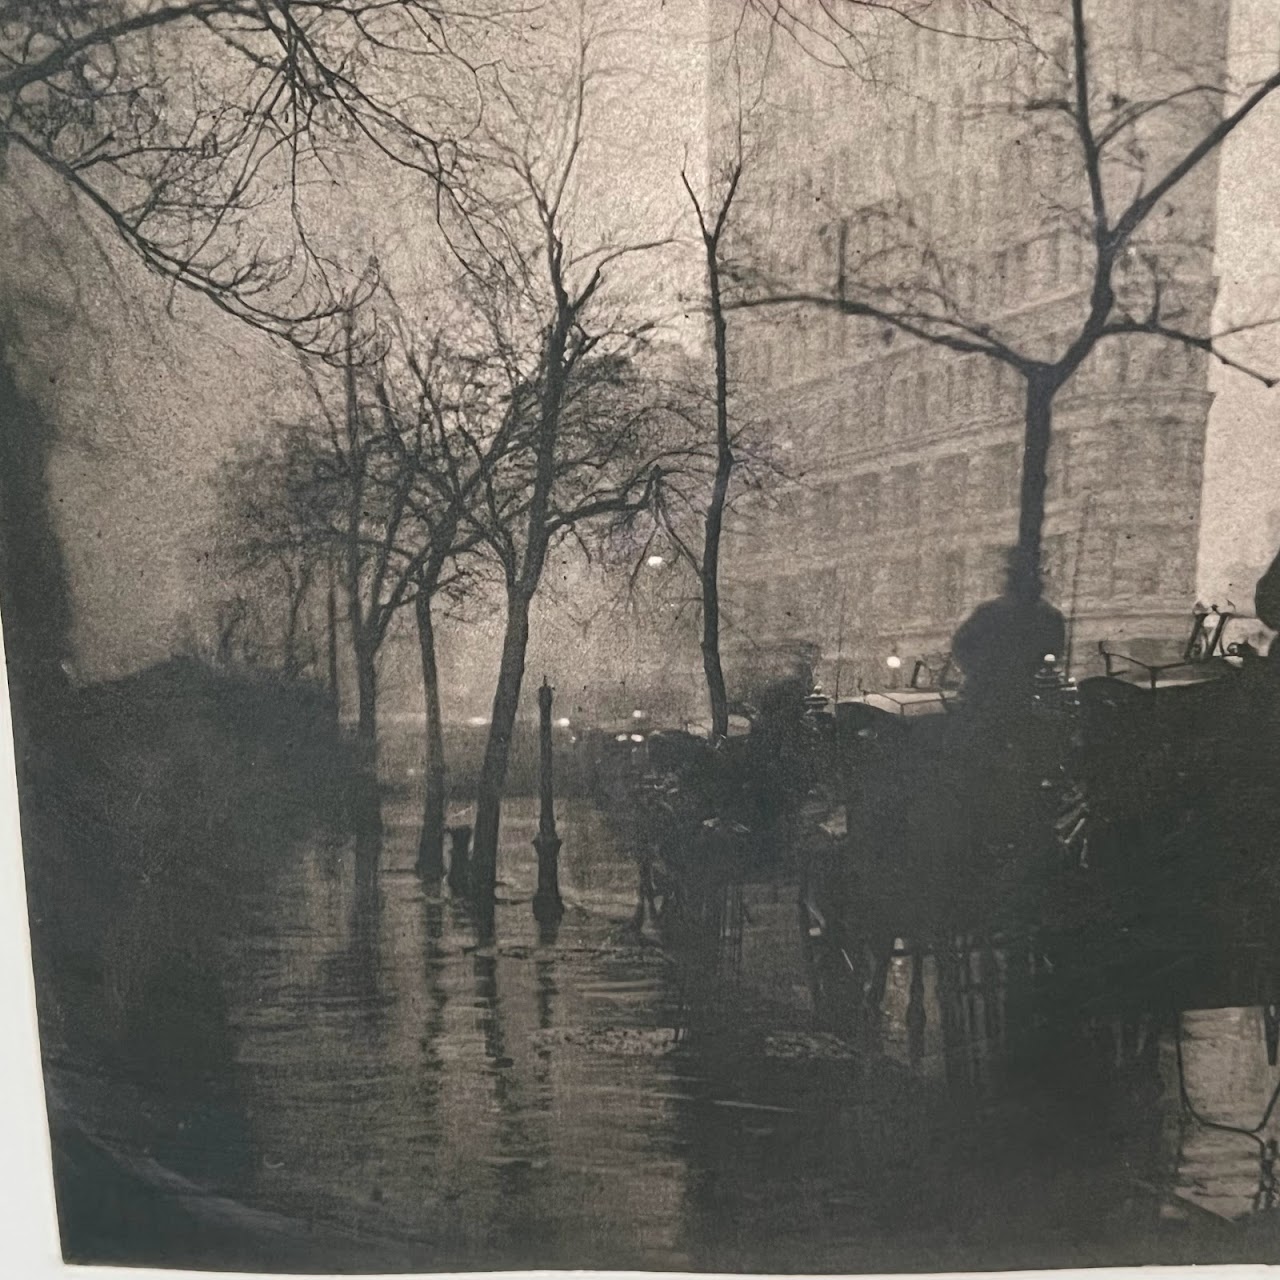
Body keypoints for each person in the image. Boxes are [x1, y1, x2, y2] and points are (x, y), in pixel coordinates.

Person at [950, 548, 1067, 717]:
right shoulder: (989, 612)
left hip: (1011, 694)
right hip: (991, 694)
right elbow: (961, 646)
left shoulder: (1048, 616)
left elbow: (1052, 654)